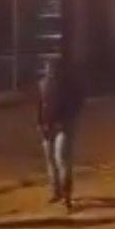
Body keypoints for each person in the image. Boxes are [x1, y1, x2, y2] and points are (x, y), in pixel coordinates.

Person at [37, 56, 85, 212]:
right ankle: (55, 191)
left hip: (63, 126)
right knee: (50, 159)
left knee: (61, 159)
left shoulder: (69, 85)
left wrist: (66, 120)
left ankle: (66, 195)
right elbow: (40, 106)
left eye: (52, 68)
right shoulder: (43, 84)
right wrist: (40, 124)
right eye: (48, 67)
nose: (49, 70)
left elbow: (78, 103)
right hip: (48, 126)